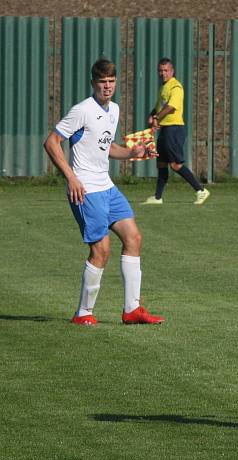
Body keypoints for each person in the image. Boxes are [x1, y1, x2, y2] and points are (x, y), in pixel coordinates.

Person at [43, 58, 165, 326]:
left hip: (107, 186)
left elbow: (107, 147)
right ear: (93, 83)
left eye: (111, 81)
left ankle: (132, 310)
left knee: (133, 237)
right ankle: (83, 313)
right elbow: (51, 142)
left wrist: (133, 152)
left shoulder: (114, 110)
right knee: (102, 250)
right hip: (86, 189)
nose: (107, 86)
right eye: (102, 82)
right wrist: (71, 177)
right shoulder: (82, 110)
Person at [142, 57, 210, 205]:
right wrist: (152, 115)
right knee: (161, 162)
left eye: (166, 70)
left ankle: (201, 190)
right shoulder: (163, 87)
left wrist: (157, 118)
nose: (163, 73)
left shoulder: (176, 87)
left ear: (172, 71)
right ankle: (158, 197)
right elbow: (159, 106)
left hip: (174, 129)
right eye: (160, 71)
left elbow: (171, 107)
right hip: (165, 129)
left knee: (175, 164)